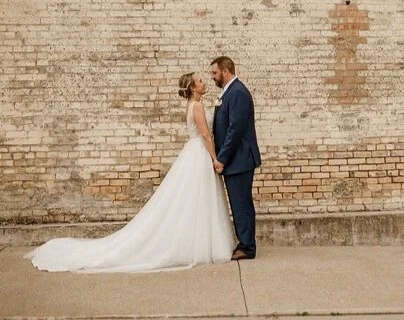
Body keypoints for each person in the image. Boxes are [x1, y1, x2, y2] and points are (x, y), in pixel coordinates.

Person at [24, 73, 235, 272]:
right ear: (192, 88)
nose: (204, 82)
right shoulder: (196, 105)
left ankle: (195, 242)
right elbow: (206, 136)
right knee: (198, 199)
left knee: (193, 200)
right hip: (200, 153)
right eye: (200, 80)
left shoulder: (191, 105)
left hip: (194, 152)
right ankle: (199, 244)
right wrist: (216, 159)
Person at [210, 56, 261, 260]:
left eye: (214, 73)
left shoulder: (238, 92)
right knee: (238, 202)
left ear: (225, 71)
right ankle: (244, 241)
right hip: (235, 159)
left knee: (241, 203)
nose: (212, 77)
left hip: (239, 159)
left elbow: (235, 130)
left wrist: (221, 158)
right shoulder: (229, 92)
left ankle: (248, 247)